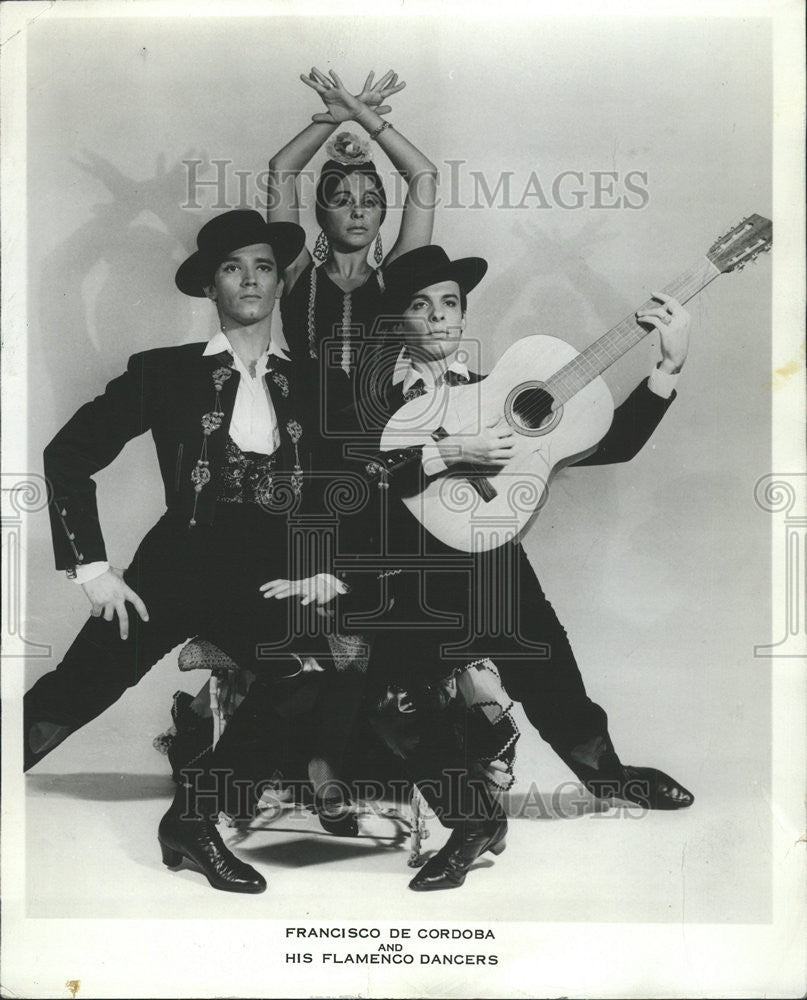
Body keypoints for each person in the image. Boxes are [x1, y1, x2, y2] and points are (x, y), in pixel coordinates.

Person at [24, 208, 372, 892]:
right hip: (175, 564)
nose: (250, 278)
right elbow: (67, 455)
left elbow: (348, 486)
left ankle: (193, 822)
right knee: (77, 691)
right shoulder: (163, 373)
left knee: (307, 675)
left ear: (279, 284)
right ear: (209, 287)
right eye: (232, 267)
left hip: (267, 577)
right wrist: (92, 570)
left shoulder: (312, 384)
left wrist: (328, 566)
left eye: (264, 266)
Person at [343, 244, 695, 889]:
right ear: (396, 323)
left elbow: (602, 443)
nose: (440, 318)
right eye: (420, 307)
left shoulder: (492, 391)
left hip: (495, 568)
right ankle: (474, 821)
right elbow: (353, 483)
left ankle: (610, 779)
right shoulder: (363, 398)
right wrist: (445, 452)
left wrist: (666, 368)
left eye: (451, 303)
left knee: (555, 682)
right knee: (396, 707)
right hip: (409, 577)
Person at [267, 67, 437, 432]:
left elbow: (424, 176)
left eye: (371, 201)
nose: (359, 211)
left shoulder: (396, 277)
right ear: (321, 214)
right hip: (302, 437)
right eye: (343, 200)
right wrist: (336, 117)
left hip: (383, 437)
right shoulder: (297, 270)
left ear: (381, 215)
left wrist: (362, 113)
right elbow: (282, 169)